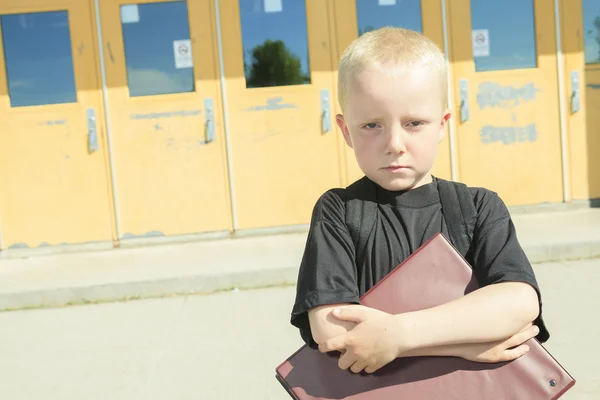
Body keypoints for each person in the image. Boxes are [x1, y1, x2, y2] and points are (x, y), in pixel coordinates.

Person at [290, 27, 549, 375]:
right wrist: (466, 344)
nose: (394, 143)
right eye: (371, 125)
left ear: (442, 124)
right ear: (346, 130)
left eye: (414, 123)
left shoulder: (478, 208)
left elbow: (519, 301)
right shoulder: (339, 211)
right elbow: (332, 329)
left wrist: (396, 336)